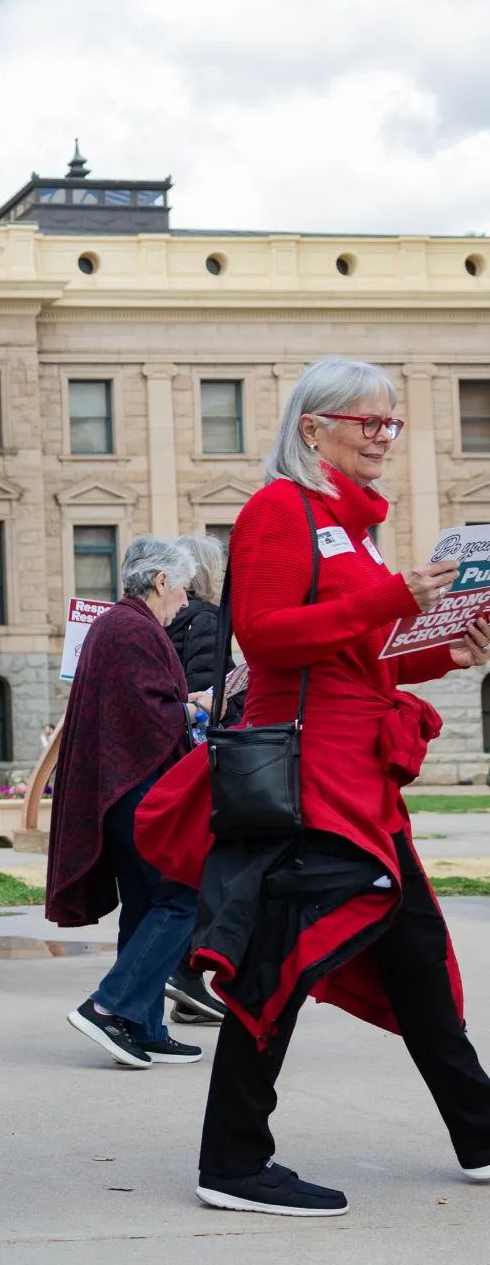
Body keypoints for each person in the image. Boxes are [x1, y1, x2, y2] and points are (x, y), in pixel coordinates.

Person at [137, 357, 490, 1217]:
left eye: (391, 423)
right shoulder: (278, 509)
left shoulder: (356, 527)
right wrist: (392, 599)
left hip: (357, 771)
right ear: (312, 427)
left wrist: (452, 646)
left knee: (413, 955)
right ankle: (232, 1161)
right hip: (308, 776)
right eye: (367, 422)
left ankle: (480, 1132)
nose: (383, 437)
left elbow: (363, 656)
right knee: (280, 959)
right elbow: (265, 635)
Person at [46, 537, 208, 1069]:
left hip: (121, 789)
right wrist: (195, 707)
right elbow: (146, 715)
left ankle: (143, 1027)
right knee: (180, 897)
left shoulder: (120, 625)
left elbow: (133, 709)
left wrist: (181, 706)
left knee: (145, 903)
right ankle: (110, 1007)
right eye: (183, 588)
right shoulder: (131, 627)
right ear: (161, 581)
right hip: (134, 789)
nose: (186, 602)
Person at [160, 534, 232, 1026]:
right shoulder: (206, 619)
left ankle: (187, 989)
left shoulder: (168, 621)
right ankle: (186, 971)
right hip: (200, 758)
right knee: (206, 871)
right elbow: (207, 691)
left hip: (169, 758)